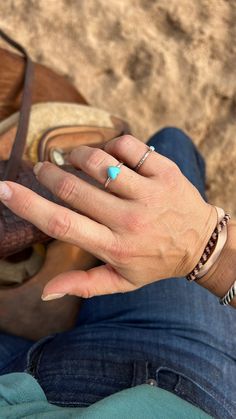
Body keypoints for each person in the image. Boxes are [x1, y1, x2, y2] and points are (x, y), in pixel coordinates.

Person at [0, 127, 235, 418]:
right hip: (180, 373)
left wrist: (206, 245)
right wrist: (206, 249)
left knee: (168, 144)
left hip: (14, 382)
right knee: (169, 142)